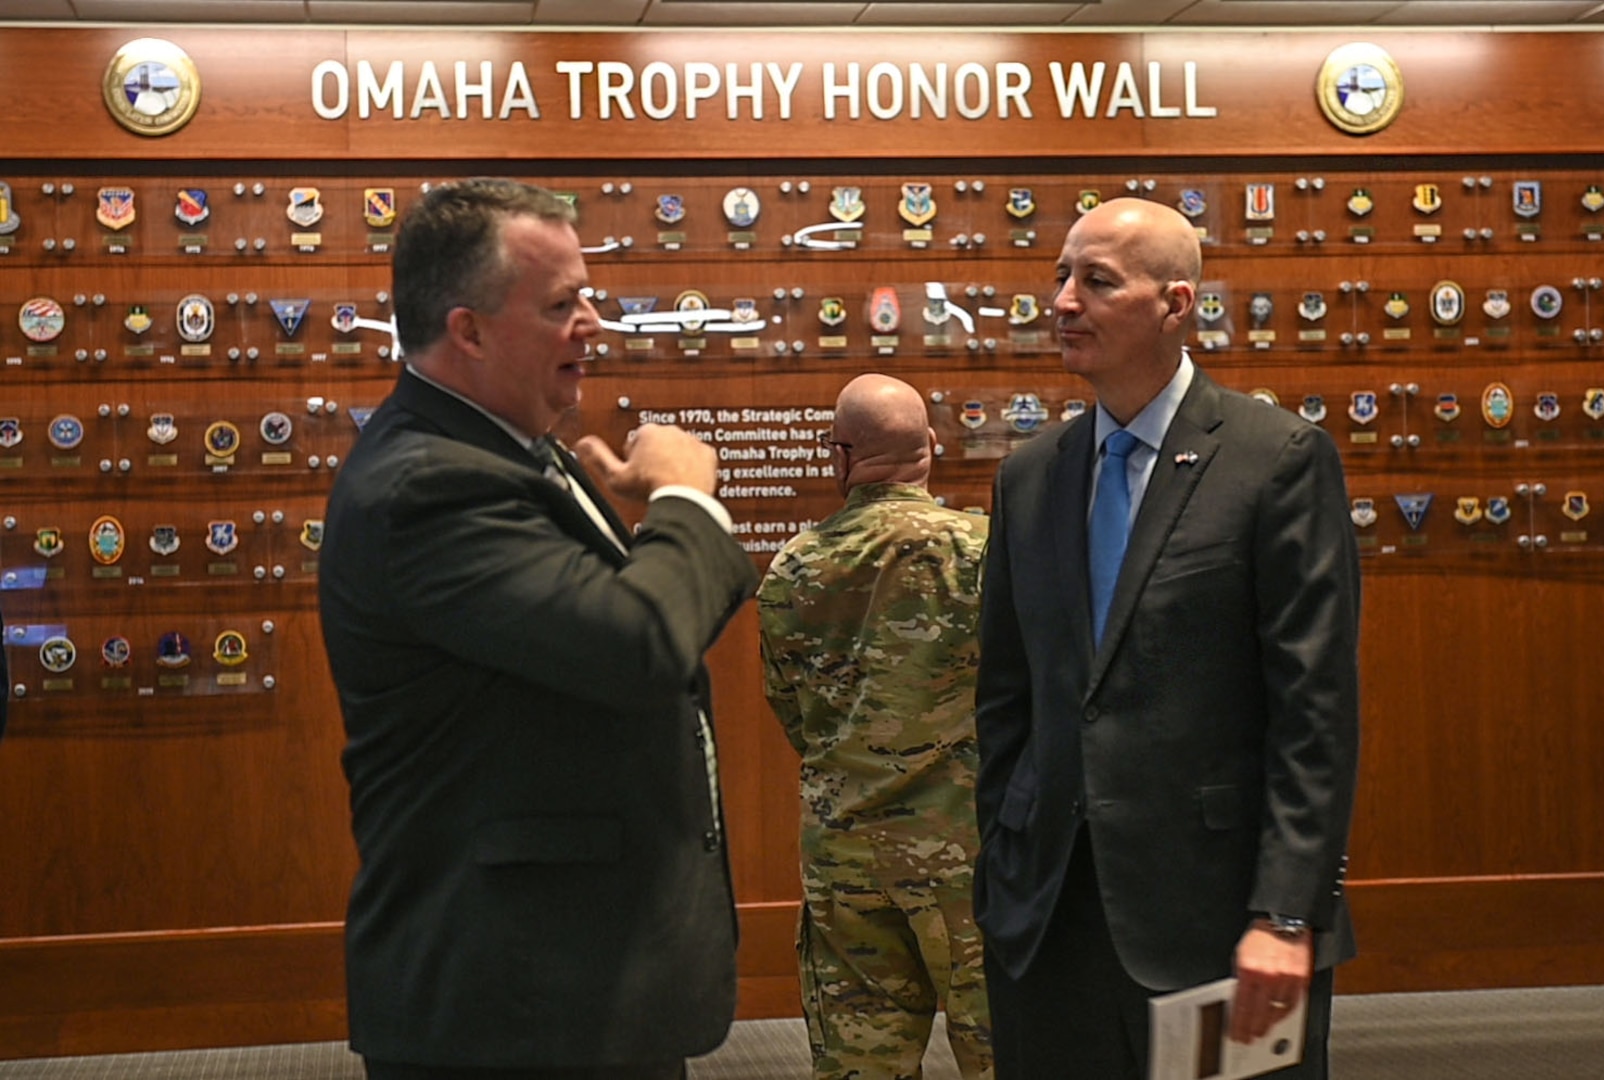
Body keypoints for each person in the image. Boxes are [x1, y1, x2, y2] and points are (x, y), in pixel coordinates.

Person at [318, 177, 758, 1080]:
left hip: (576, 974)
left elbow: (653, 621)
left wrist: (674, 526)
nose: (594, 322)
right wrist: (683, 499)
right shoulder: (429, 487)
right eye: (562, 304)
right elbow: (638, 647)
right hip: (510, 999)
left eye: (588, 295)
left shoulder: (512, 449)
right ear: (467, 329)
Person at [973, 197, 1361, 1080]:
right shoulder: (1031, 475)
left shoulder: (1276, 459)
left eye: (1097, 281)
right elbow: (1006, 696)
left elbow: (1315, 713)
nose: (1064, 301)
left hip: (1220, 923)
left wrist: (1286, 913)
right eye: (1061, 277)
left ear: (1176, 305)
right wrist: (1003, 864)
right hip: (1048, 921)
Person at [756, 373, 994, 1080]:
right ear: (931, 446)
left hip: (847, 860)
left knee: (864, 1068)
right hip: (969, 860)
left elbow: (792, 710)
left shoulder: (794, 567)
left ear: (840, 455)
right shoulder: (982, 552)